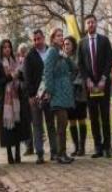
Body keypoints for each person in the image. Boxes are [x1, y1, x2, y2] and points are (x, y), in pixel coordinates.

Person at [78, 14, 112, 157]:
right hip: (90, 86)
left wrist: (104, 78)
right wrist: (87, 79)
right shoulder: (82, 43)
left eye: (93, 22)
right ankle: (98, 147)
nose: (91, 25)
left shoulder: (104, 41)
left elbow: (109, 60)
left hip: (103, 84)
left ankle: (107, 147)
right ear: (86, 25)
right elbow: (80, 63)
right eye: (88, 23)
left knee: (105, 116)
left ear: (96, 23)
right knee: (93, 117)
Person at [23, 29, 58, 164]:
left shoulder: (51, 52)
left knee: (50, 124)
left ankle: (54, 151)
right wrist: (31, 95)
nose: (37, 41)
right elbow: (27, 78)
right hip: (36, 97)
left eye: (39, 38)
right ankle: (40, 153)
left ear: (44, 38)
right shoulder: (29, 56)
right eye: (35, 39)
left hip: (49, 95)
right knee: (37, 125)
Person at [0, 39, 31, 164]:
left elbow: (21, 77)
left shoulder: (16, 62)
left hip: (17, 98)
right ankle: (9, 154)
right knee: (7, 128)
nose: (7, 49)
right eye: (4, 47)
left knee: (17, 126)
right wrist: (10, 77)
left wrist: (19, 74)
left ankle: (17, 153)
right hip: (5, 100)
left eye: (9, 47)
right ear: (1, 49)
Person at [42, 28, 76, 164]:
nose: (61, 38)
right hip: (57, 93)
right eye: (58, 36)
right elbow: (47, 72)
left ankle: (61, 153)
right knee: (62, 124)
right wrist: (50, 90)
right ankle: (60, 154)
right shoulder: (51, 52)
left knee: (63, 123)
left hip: (65, 93)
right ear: (52, 38)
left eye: (62, 35)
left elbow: (74, 68)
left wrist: (65, 56)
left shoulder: (60, 52)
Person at [63, 35, 88, 156]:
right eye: (64, 44)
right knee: (72, 120)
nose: (66, 46)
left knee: (81, 119)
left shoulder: (78, 57)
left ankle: (82, 147)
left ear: (73, 45)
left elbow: (81, 73)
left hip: (79, 93)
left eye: (68, 44)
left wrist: (74, 82)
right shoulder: (62, 58)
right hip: (68, 95)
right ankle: (76, 147)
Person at [16, 43, 34, 156]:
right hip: (21, 96)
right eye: (21, 52)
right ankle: (29, 146)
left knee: (31, 122)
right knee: (26, 122)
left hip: (29, 94)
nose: (22, 54)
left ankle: (32, 146)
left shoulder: (29, 62)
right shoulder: (18, 63)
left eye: (24, 52)